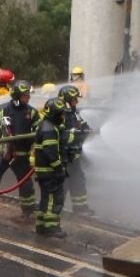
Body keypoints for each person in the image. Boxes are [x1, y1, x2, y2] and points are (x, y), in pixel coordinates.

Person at [0, 80, 39, 217]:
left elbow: (40, 129)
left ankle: (28, 209)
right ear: (16, 96)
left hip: (21, 154)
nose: (28, 97)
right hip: (2, 153)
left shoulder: (32, 112)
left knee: (26, 183)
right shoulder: (2, 110)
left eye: (28, 95)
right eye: (25, 95)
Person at [33, 98, 70, 238]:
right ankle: (51, 227)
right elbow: (51, 152)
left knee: (45, 199)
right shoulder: (49, 129)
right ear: (54, 114)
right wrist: (59, 168)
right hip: (50, 171)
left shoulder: (47, 125)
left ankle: (41, 225)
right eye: (61, 114)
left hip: (44, 171)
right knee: (54, 199)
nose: (63, 117)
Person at [56, 85, 94, 215]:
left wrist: (87, 129)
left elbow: (83, 125)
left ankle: (80, 208)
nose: (76, 102)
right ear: (66, 100)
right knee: (63, 185)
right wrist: (75, 132)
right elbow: (62, 136)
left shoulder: (74, 113)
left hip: (74, 157)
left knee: (78, 181)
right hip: (63, 158)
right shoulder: (59, 115)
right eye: (74, 100)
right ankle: (56, 210)